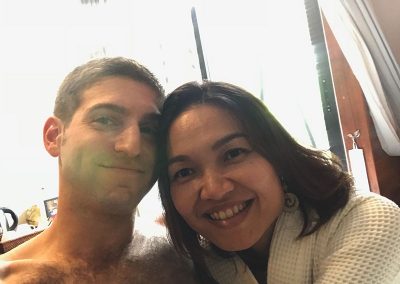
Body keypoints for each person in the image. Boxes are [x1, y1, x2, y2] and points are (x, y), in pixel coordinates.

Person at [157, 80, 400, 284]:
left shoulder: (368, 220)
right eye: (185, 172)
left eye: (233, 154)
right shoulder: (196, 261)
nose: (214, 190)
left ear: (277, 156)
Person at [0, 57, 198, 283]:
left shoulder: (185, 250)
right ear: (54, 136)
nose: (132, 146)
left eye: (149, 129)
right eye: (105, 120)